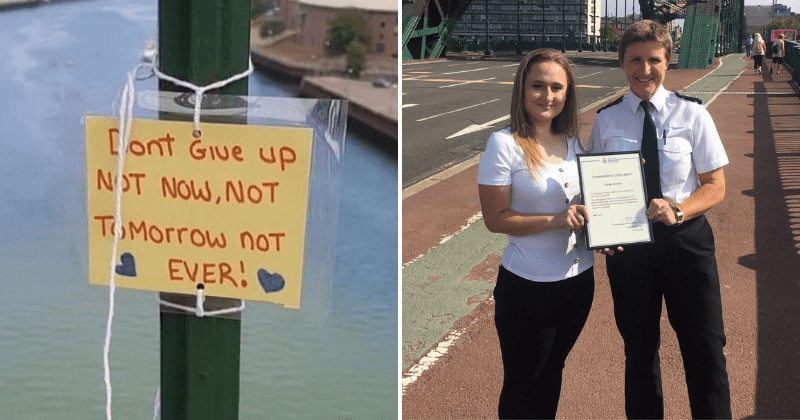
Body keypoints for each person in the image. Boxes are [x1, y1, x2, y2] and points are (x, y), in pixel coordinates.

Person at [589, 20, 732, 419]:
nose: (644, 69)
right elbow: (595, 185)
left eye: (654, 59)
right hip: (630, 248)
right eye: (635, 59)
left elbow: (715, 185)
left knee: (705, 346)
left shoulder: (693, 114)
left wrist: (679, 209)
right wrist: (600, 228)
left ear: (668, 61)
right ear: (622, 63)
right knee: (638, 350)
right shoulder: (606, 120)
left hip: (686, 241)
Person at [478, 48, 594, 419]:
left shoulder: (574, 141)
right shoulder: (504, 144)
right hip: (528, 287)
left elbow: (588, 203)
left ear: (568, 94)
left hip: (579, 281)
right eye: (538, 86)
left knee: (553, 371)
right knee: (522, 384)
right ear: (522, 89)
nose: (547, 96)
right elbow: (495, 219)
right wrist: (553, 220)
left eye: (556, 87)